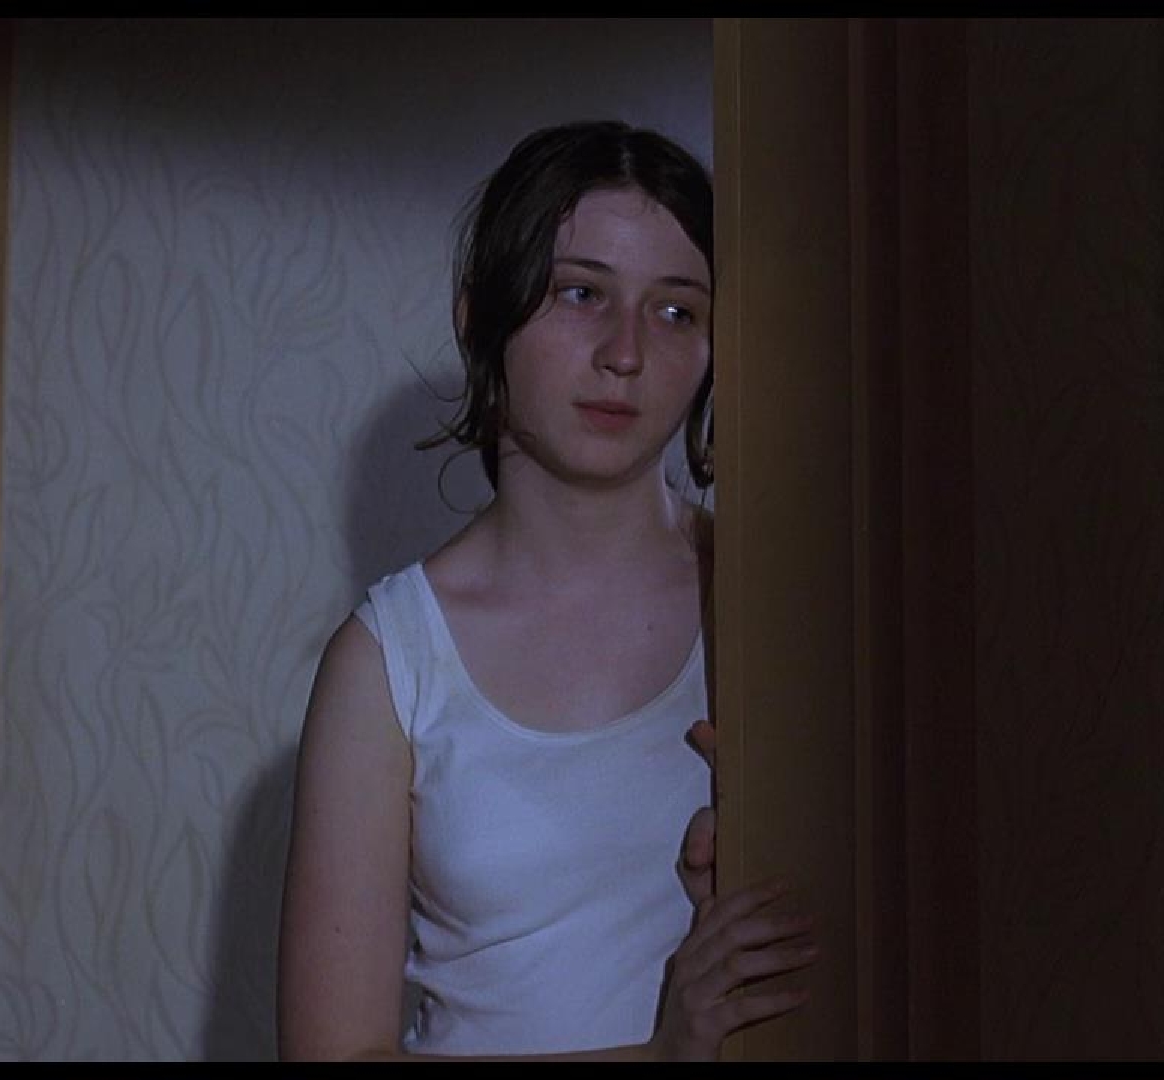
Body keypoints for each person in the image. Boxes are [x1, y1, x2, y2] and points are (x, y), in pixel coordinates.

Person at [276, 120, 816, 1061]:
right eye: (581, 293)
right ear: (478, 316)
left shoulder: (772, 605)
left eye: (676, 311)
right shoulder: (390, 661)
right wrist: (661, 1056)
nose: (626, 353)